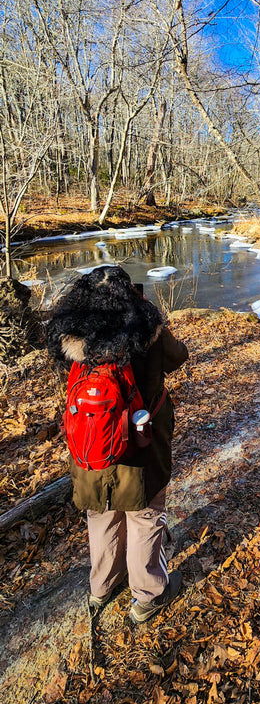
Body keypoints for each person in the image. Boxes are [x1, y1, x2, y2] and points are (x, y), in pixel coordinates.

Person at [47, 265, 188, 623]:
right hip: (141, 445)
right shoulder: (147, 331)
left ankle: (102, 587)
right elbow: (179, 356)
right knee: (144, 517)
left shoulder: (70, 339)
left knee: (102, 515)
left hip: (90, 447)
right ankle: (148, 596)